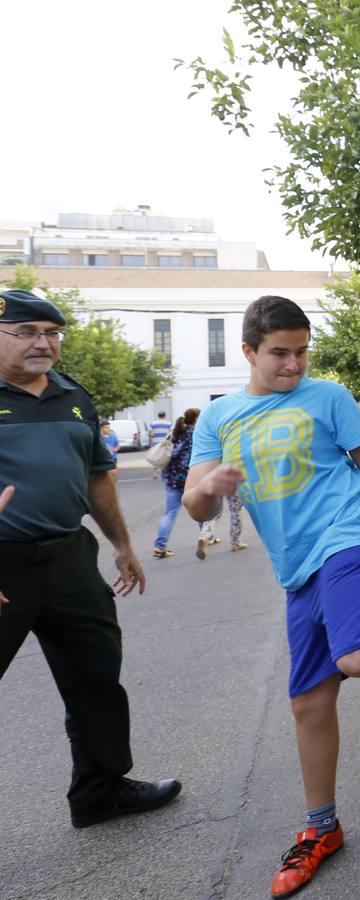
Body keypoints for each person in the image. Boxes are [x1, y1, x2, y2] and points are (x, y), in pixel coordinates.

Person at [182, 295, 360, 899]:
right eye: (279, 354)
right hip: (296, 567)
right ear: (249, 353)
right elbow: (196, 506)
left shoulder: (328, 397)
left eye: (301, 351)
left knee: (358, 656)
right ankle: (322, 827)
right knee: (309, 704)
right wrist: (209, 486)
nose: (293, 364)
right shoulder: (220, 418)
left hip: (352, 535)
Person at [0, 288, 181, 828]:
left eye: (52, 333)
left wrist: (122, 545)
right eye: (28, 332)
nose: (44, 343)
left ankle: (100, 792)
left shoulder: (74, 395)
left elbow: (98, 477)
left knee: (96, 679)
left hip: (70, 558)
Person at [152, 407, 208, 560]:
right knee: (200, 509)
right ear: (196, 419)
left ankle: (160, 546)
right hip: (189, 479)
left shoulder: (176, 432)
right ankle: (205, 535)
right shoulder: (196, 434)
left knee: (170, 513)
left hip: (171, 478)